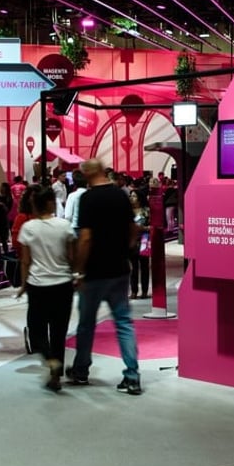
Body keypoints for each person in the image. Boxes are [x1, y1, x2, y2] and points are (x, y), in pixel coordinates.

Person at [66, 158, 142, 395]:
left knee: (86, 324)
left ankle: (81, 370)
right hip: (119, 269)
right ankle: (132, 376)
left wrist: (79, 270)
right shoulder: (120, 194)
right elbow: (133, 227)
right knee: (124, 322)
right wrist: (125, 249)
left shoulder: (88, 199)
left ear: (88, 174)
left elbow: (85, 238)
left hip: (95, 272)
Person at [16, 186, 76, 391]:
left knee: (36, 330)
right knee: (59, 331)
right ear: (51, 203)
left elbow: (25, 261)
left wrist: (23, 284)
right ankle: (55, 377)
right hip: (63, 284)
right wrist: (76, 275)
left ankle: (51, 360)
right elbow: (71, 256)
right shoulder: (65, 226)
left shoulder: (28, 228)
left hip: (38, 285)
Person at [128, 189, 151, 299]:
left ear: (139, 198)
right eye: (131, 196)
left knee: (144, 267)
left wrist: (144, 228)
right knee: (133, 268)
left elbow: (152, 226)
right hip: (131, 241)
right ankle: (134, 291)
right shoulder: (128, 211)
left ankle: (145, 291)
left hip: (144, 240)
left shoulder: (146, 210)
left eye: (134, 196)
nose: (131, 198)